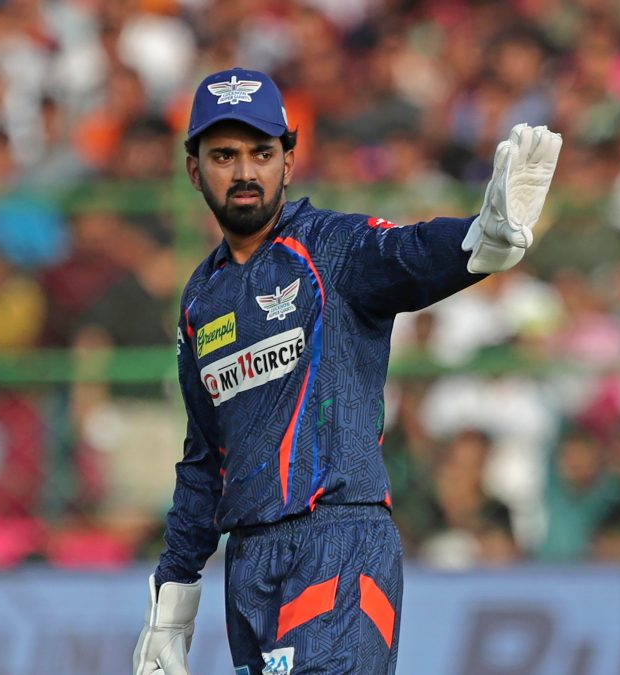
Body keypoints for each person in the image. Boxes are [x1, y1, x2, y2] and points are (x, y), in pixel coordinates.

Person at [132, 67, 561, 675]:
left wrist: (478, 242)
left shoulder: (333, 247)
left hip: (338, 538)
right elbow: (205, 459)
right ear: (193, 169)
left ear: (289, 161)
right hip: (249, 565)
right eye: (224, 155)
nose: (246, 172)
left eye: (262, 152)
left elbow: (405, 252)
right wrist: (171, 603)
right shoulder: (202, 299)